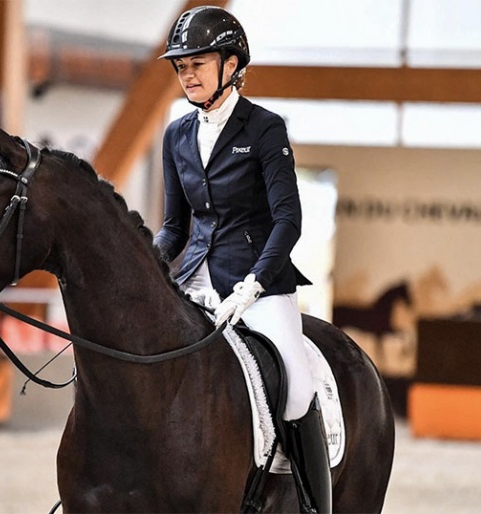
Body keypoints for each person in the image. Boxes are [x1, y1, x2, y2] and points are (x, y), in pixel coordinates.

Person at [153, 6, 331, 513]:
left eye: (198, 63)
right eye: (181, 66)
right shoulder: (176, 135)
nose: (187, 74)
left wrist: (255, 284)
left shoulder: (265, 128)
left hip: (257, 284)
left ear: (231, 64)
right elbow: (174, 227)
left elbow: (287, 221)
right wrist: (150, 267)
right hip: (193, 281)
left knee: (296, 387)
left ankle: (316, 504)